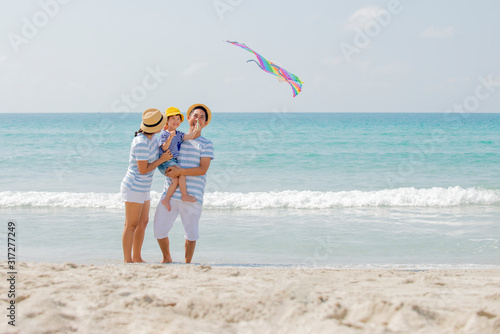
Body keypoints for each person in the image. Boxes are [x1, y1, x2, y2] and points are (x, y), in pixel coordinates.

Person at [153, 104, 214, 263]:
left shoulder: (206, 144)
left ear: (205, 123)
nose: (198, 119)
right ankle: (167, 258)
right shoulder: (177, 138)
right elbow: (163, 155)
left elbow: (202, 169)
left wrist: (180, 172)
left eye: (202, 117)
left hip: (193, 194)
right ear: (188, 118)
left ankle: (187, 263)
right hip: (171, 193)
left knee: (191, 233)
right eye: (195, 116)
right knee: (159, 229)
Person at [120, 108, 172, 263]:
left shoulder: (153, 138)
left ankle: (137, 257)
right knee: (131, 225)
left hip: (144, 187)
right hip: (134, 186)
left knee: (143, 222)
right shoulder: (141, 142)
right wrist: (162, 160)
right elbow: (143, 170)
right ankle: (127, 260)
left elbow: (160, 148)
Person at [157, 107, 202, 211]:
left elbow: (188, 137)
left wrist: (195, 130)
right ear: (167, 121)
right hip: (165, 162)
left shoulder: (179, 134)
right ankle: (184, 195)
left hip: (172, 161)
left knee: (176, 180)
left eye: (178, 119)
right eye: (173, 118)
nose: (176, 121)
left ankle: (166, 199)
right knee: (181, 173)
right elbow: (163, 147)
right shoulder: (165, 134)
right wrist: (170, 138)